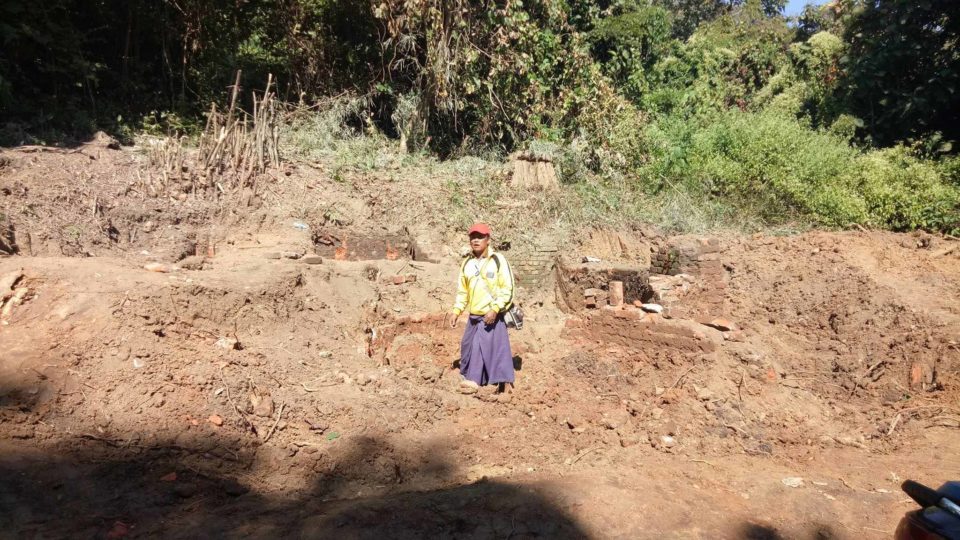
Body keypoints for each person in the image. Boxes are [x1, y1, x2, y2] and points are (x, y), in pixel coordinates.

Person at [449, 223, 515, 394]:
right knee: (467, 346)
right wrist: (457, 311)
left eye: (480, 237)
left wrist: (495, 308)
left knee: (483, 349)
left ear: (488, 239)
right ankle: (478, 378)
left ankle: (475, 382)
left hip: (490, 316)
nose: (476, 240)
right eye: (473, 237)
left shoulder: (498, 261)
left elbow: (507, 288)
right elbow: (463, 291)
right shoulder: (467, 264)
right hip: (473, 316)